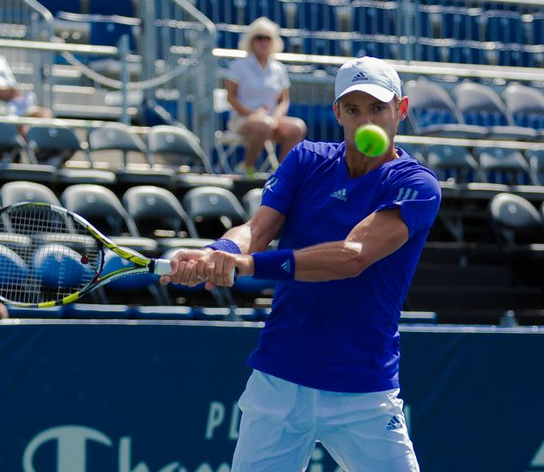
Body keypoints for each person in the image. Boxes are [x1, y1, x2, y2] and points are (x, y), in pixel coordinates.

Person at [162, 56, 441, 471]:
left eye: (378, 108)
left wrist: (249, 265)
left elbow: (352, 257)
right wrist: (218, 251)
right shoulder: (306, 159)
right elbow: (256, 229)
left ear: (400, 110)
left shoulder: (416, 185)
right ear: (338, 114)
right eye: (353, 110)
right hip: (281, 378)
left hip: (362, 386)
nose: (366, 122)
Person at [225, 17, 307, 177]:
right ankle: (247, 167)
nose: (264, 42)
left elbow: (283, 100)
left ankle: (282, 174)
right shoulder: (238, 66)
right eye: (259, 37)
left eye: (268, 38)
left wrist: (276, 117)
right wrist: (252, 114)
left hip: (270, 120)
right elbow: (231, 98)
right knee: (264, 124)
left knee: (297, 127)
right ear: (251, 41)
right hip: (243, 119)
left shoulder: (279, 69)